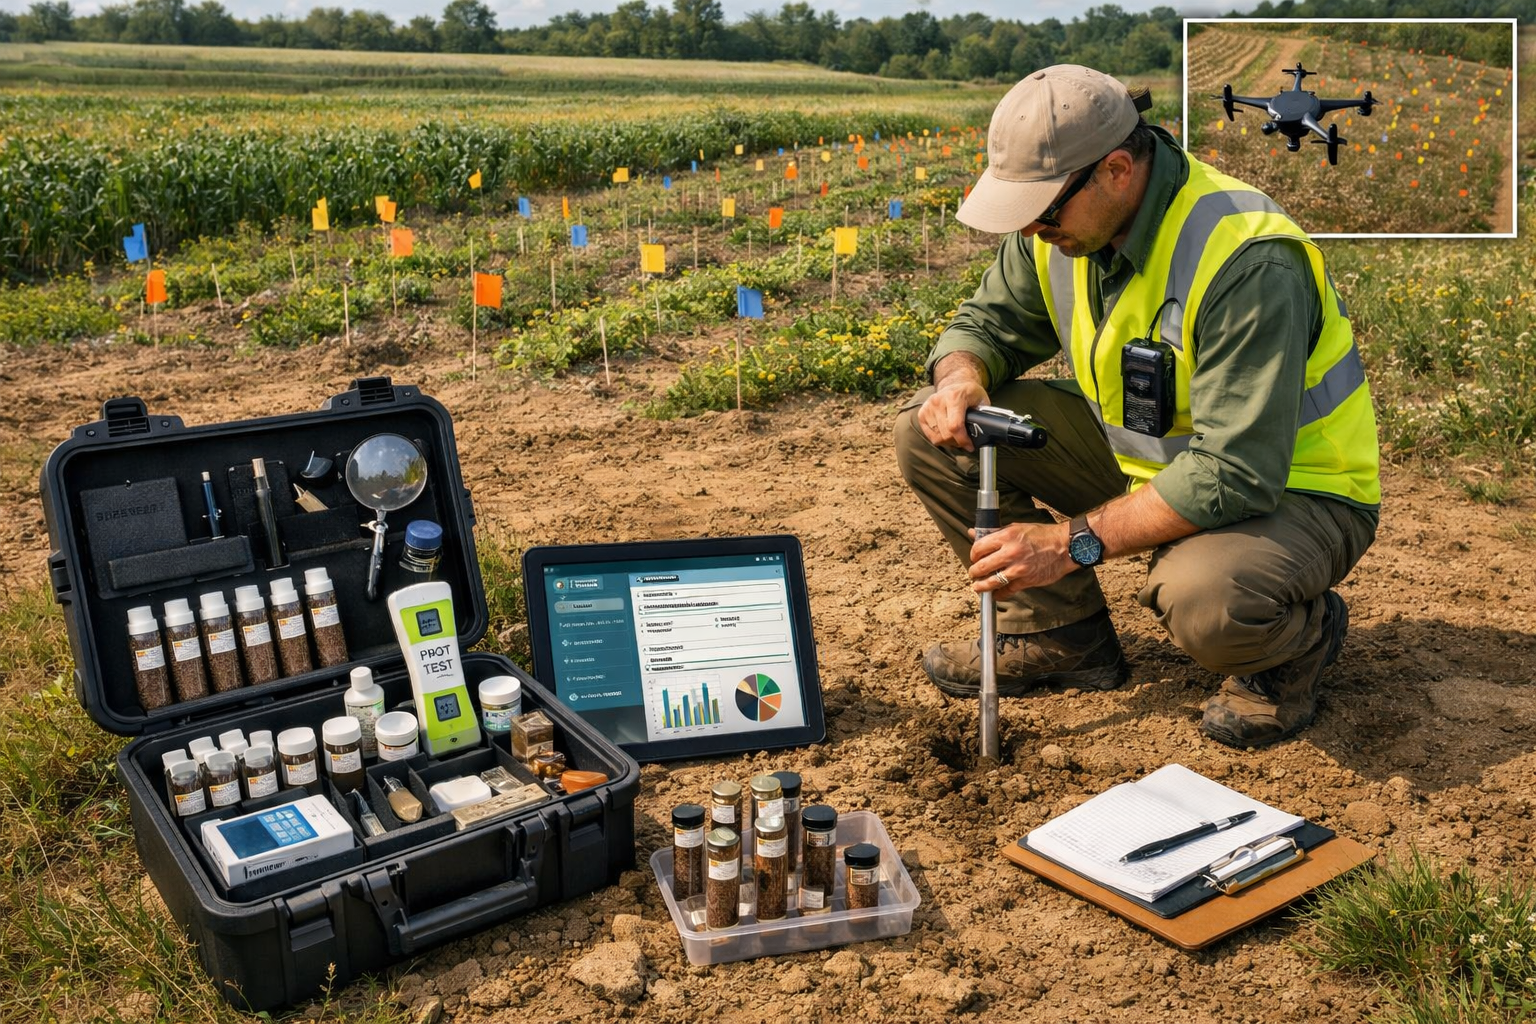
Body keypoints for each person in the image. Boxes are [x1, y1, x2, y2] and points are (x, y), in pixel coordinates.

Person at [895, 65, 1381, 748]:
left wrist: (1069, 544)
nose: (1032, 229)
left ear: (1117, 169)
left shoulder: (1246, 257)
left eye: (1044, 211)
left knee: (1206, 598)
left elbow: (1235, 471)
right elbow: (986, 324)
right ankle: (1061, 637)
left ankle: (1294, 648)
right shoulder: (1066, 228)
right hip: (1154, 469)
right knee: (931, 433)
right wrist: (959, 379)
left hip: (1295, 492)